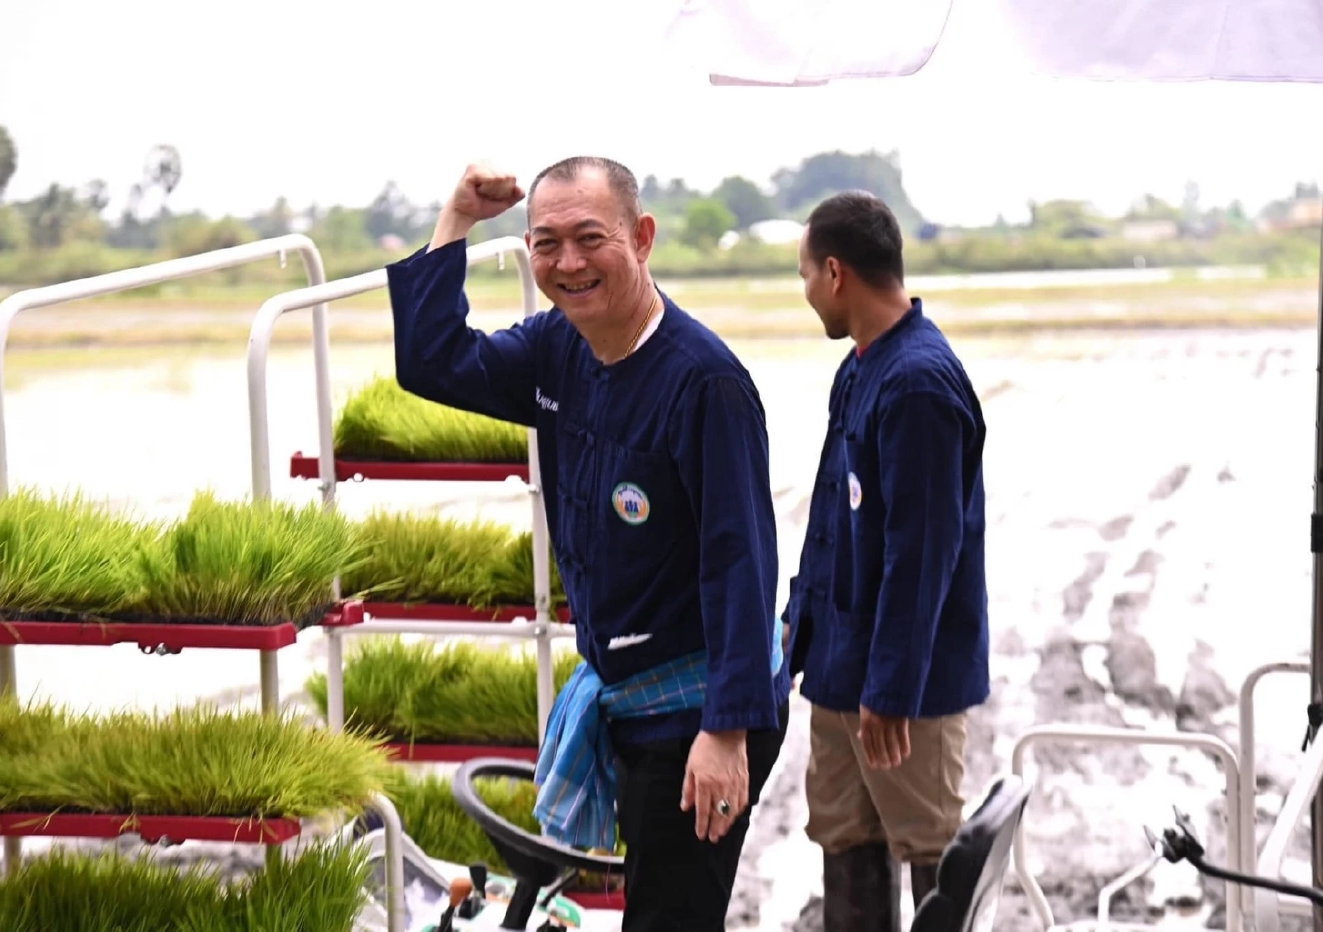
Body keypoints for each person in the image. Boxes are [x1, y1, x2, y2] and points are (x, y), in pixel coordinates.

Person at [386, 157, 790, 932]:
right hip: (627, 694)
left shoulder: (705, 383)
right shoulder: (558, 348)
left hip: (698, 704)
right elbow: (432, 362)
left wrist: (725, 731)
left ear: (641, 238)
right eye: (546, 244)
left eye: (589, 238)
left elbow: (741, 563)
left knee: (670, 918)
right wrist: (457, 219)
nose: (567, 263)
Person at [780, 191, 990, 932]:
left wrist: (892, 687)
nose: (807, 292)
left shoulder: (918, 384)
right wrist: (797, 626)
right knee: (843, 835)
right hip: (840, 671)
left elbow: (922, 551)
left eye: (806, 275)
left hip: (904, 690)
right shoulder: (861, 368)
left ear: (836, 273)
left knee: (932, 848)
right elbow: (832, 518)